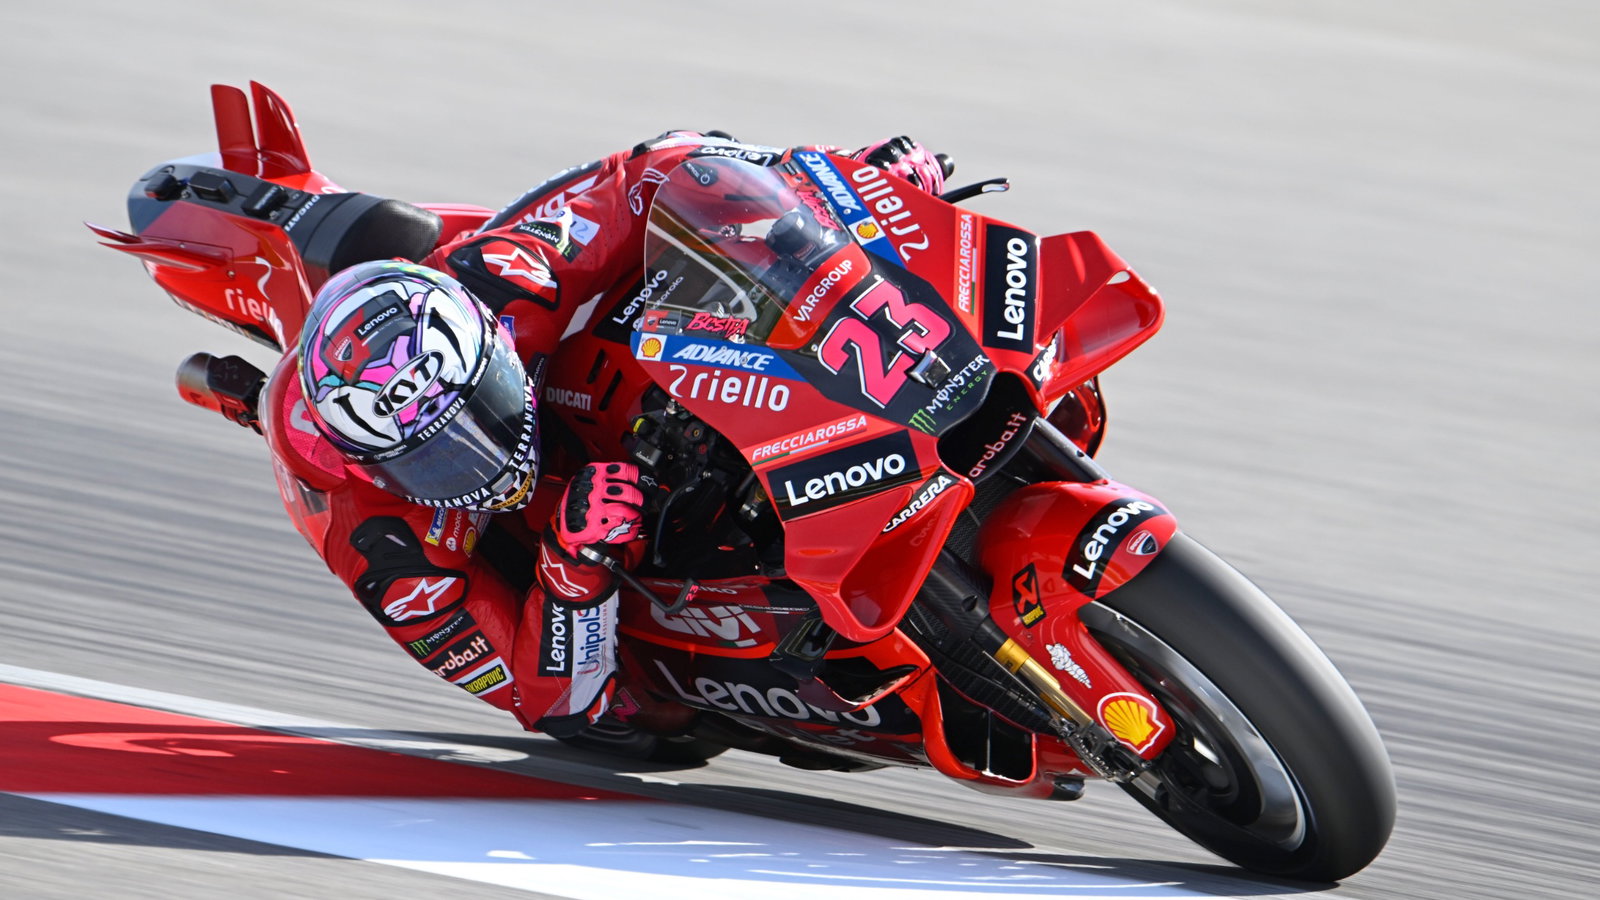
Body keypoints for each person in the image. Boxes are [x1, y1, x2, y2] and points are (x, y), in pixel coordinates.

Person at [259, 133, 950, 737]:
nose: (481, 458)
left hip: (590, 379)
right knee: (647, 719)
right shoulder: (381, 543)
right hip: (561, 555)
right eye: (434, 459)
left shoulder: (507, 277)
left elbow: (661, 168)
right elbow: (546, 704)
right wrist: (571, 569)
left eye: (482, 410)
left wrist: (835, 187)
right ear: (373, 466)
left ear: (494, 343)